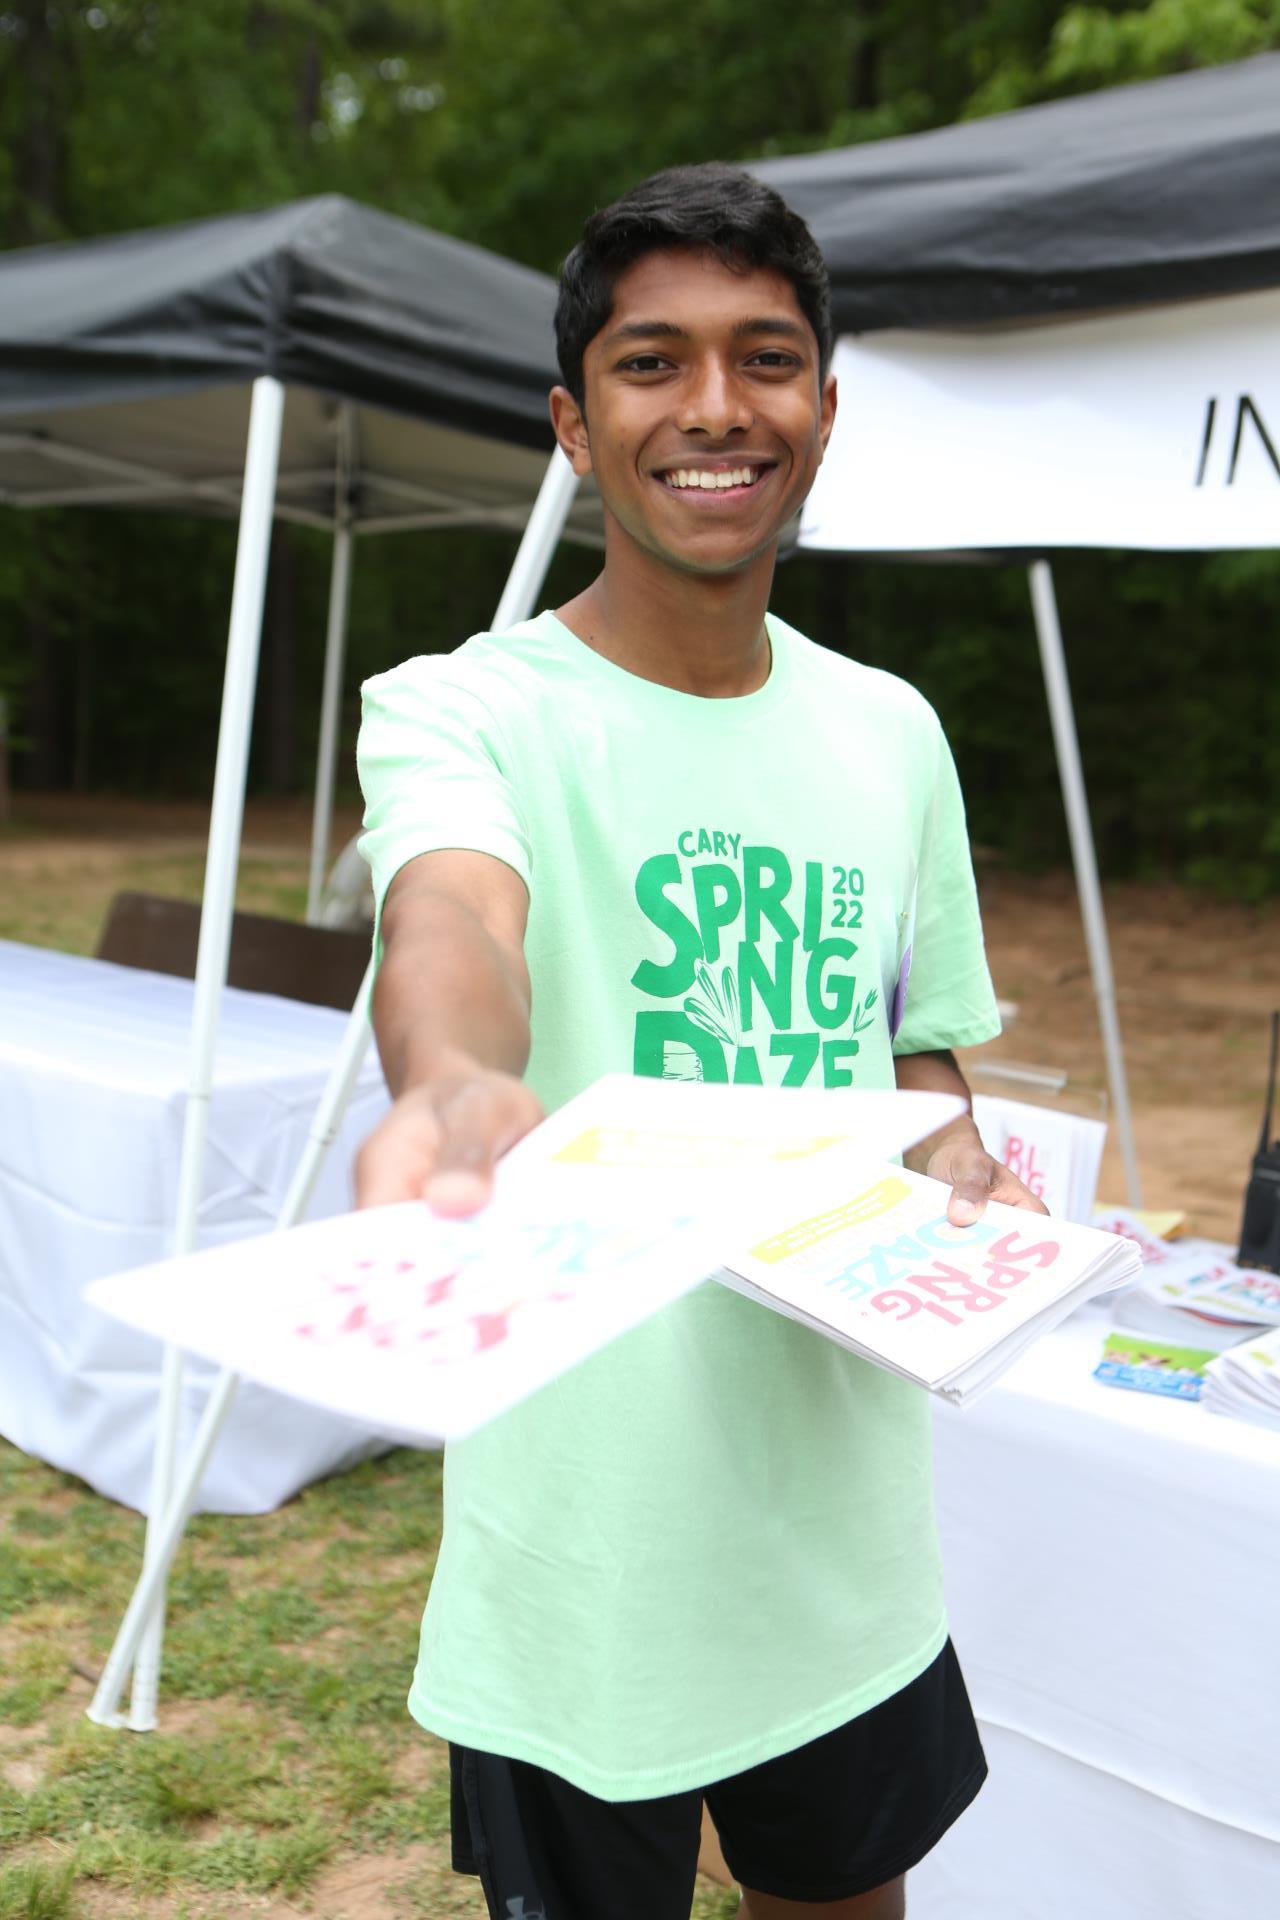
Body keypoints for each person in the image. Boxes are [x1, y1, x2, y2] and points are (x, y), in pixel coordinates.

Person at [355, 162, 1046, 1920]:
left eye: (767, 358)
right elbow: (452, 915)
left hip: (839, 1537)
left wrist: (952, 1146)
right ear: (576, 426)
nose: (716, 408)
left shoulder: (895, 733)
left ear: (826, 406)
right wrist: (451, 1078)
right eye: (653, 363)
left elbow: (923, 1052)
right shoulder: (468, 708)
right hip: (585, 1553)